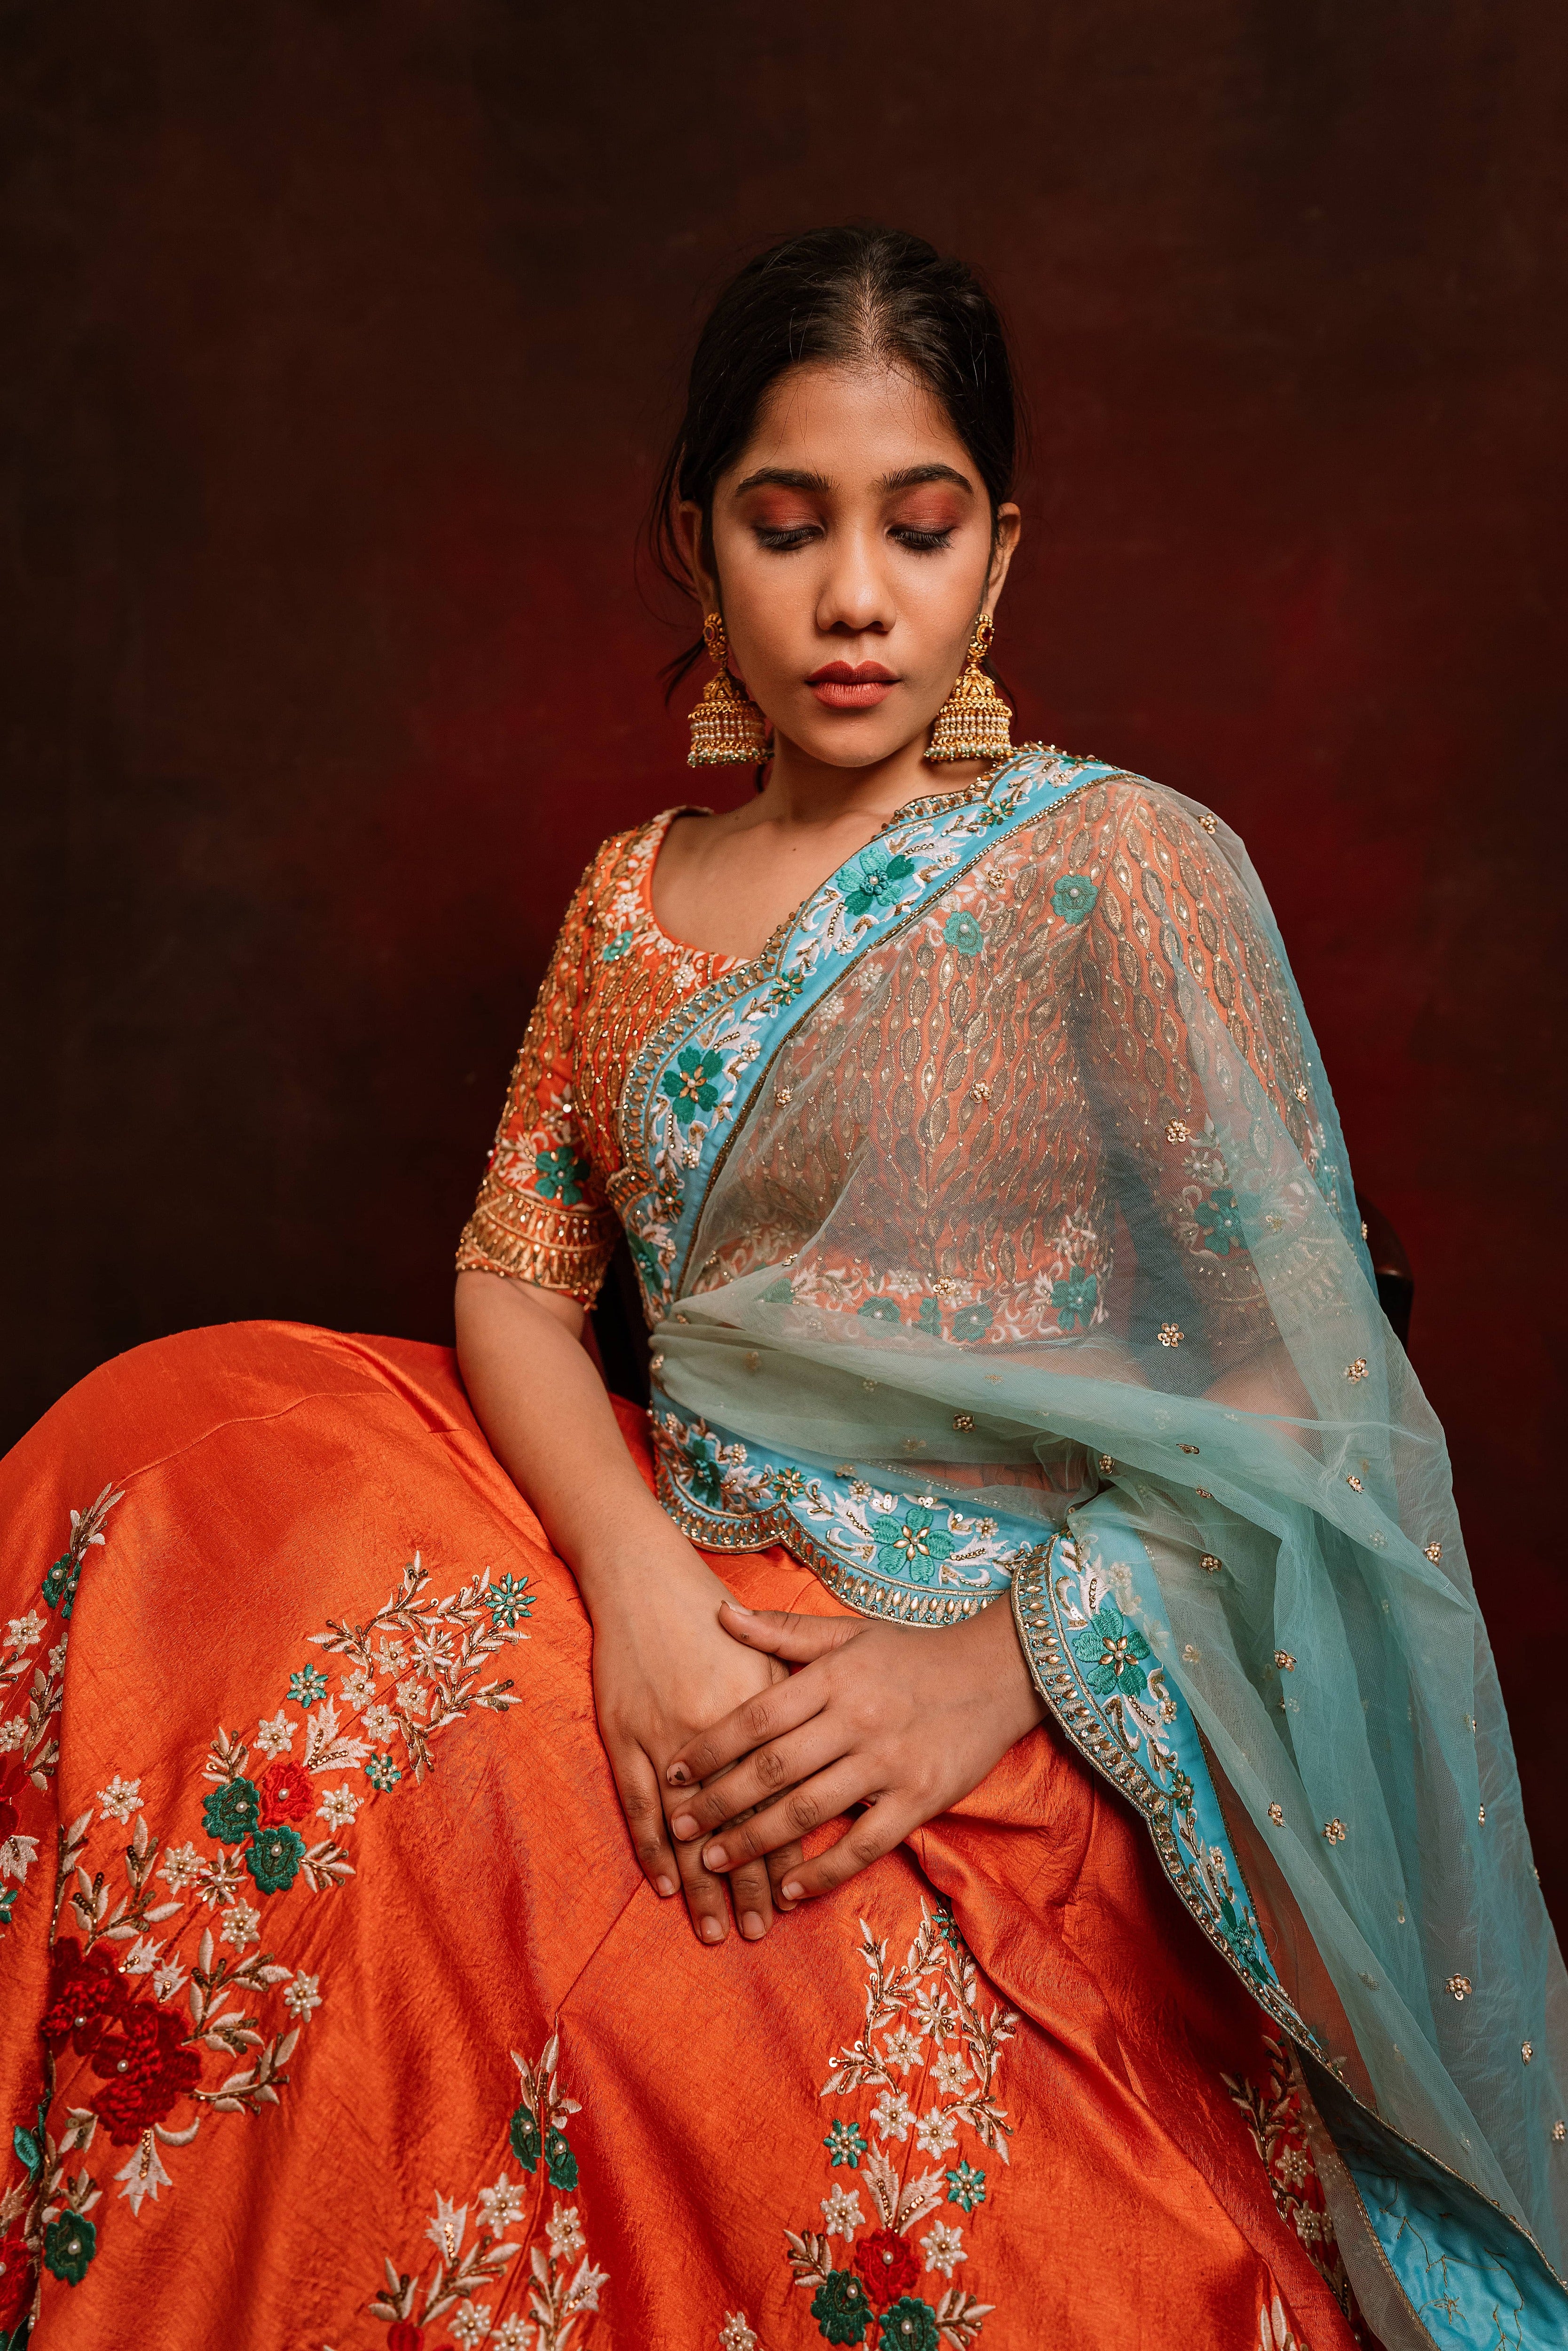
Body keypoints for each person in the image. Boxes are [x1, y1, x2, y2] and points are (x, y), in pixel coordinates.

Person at [0, 227, 1561, 2351]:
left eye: (919, 528)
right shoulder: (629, 896)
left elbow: (1315, 1384)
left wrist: (985, 1675)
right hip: (698, 1596)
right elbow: (516, 1274)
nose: (854, 598)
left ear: (1000, 554)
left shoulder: (1116, 871)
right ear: (695, 541)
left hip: (1009, 1685)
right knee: (185, 1500)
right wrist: (638, 1582)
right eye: (787, 522)